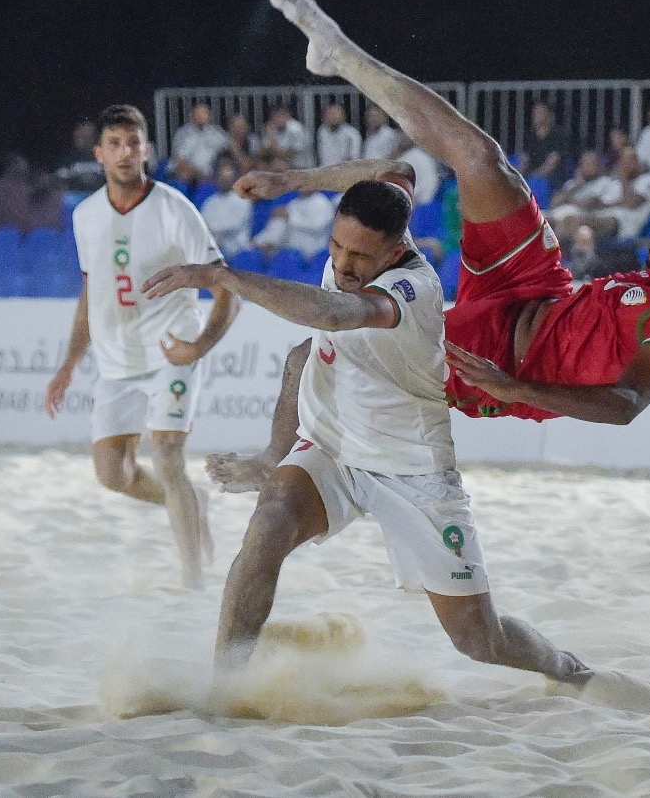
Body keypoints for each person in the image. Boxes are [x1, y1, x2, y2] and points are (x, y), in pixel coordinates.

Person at [142, 180, 591, 686]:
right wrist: (296, 180)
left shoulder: (412, 288)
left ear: (397, 249)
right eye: (336, 245)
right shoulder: (355, 255)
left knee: (479, 640)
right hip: (333, 449)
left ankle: (571, 671)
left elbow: (333, 315)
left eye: (359, 254)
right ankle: (224, 684)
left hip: (411, 467)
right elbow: (303, 356)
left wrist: (219, 276)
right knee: (267, 526)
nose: (343, 264)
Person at [262, 0, 650, 426]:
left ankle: (274, 458)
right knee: (482, 160)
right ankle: (341, 55)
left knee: (317, 354)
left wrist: (512, 388)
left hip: (502, 362)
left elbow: (624, 404)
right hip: (536, 284)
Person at [44, 105, 241, 588]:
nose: (125, 153)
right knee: (113, 474)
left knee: (167, 452)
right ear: (99, 153)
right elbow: (92, 294)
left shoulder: (174, 207)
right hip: (115, 362)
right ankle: (193, 502)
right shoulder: (86, 215)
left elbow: (227, 290)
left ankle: (192, 579)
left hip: (173, 348)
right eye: (115, 144)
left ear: (147, 150)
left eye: (134, 143)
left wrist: (199, 347)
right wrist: (69, 363)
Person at [550, 147, 650, 244]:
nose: (625, 165)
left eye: (630, 160)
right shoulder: (616, 183)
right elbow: (603, 204)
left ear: (637, 162)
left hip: (624, 224)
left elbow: (630, 203)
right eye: (623, 161)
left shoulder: (647, 180)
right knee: (568, 222)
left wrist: (623, 177)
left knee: (577, 221)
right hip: (603, 217)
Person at [200, 156, 253, 257]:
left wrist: (211, 227)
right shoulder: (210, 202)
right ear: (216, 178)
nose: (224, 180)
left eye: (227, 177)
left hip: (237, 249)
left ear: (234, 178)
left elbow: (234, 224)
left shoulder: (243, 199)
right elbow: (202, 223)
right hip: (215, 248)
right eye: (221, 177)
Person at [170, 102, 229, 185]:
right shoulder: (183, 133)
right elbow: (180, 161)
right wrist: (198, 173)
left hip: (211, 173)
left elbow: (228, 149)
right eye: (198, 113)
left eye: (204, 113)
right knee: (184, 174)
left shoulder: (217, 133)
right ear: (192, 116)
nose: (201, 116)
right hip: (187, 172)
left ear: (210, 116)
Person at [519, 101, 573, 184]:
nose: (537, 115)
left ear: (548, 115)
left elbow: (552, 163)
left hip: (552, 176)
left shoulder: (558, 135)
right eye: (535, 112)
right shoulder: (530, 136)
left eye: (540, 112)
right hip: (532, 173)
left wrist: (534, 177)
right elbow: (524, 160)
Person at [56, 120, 106, 192]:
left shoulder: (105, 156)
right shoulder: (70, 159)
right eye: (78, 138)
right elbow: (61, 176)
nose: (80, 141)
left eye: (85, 137)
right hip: (76, 196)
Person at [316, 101, 363, 167]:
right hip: (324, 170)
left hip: (344, 172)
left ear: (343, 116)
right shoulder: (322, 131)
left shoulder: (352, 133)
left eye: (336, 113)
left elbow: (353, 156)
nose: (333, 117)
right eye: (330, 113)